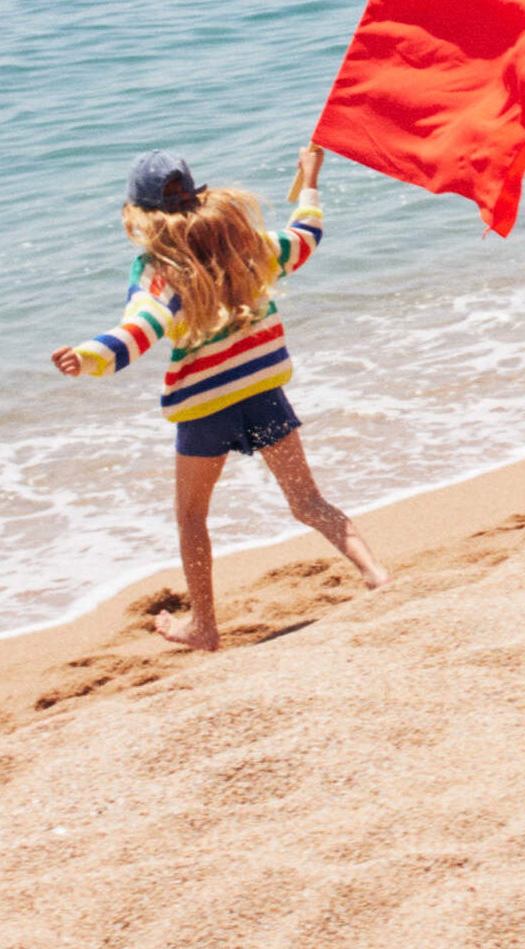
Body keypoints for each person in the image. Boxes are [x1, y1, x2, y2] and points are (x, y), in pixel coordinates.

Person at [51, 145, 388, 650]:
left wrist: (90, 356)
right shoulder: (244, 244)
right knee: (307, 501)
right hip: (262, 393)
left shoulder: (156, 270)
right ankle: (376, 573)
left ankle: (205, 625)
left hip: (205, 411)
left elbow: (141, 329)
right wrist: (311, 178)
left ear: (138, 214)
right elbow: (305, 238)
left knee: (191, 518)